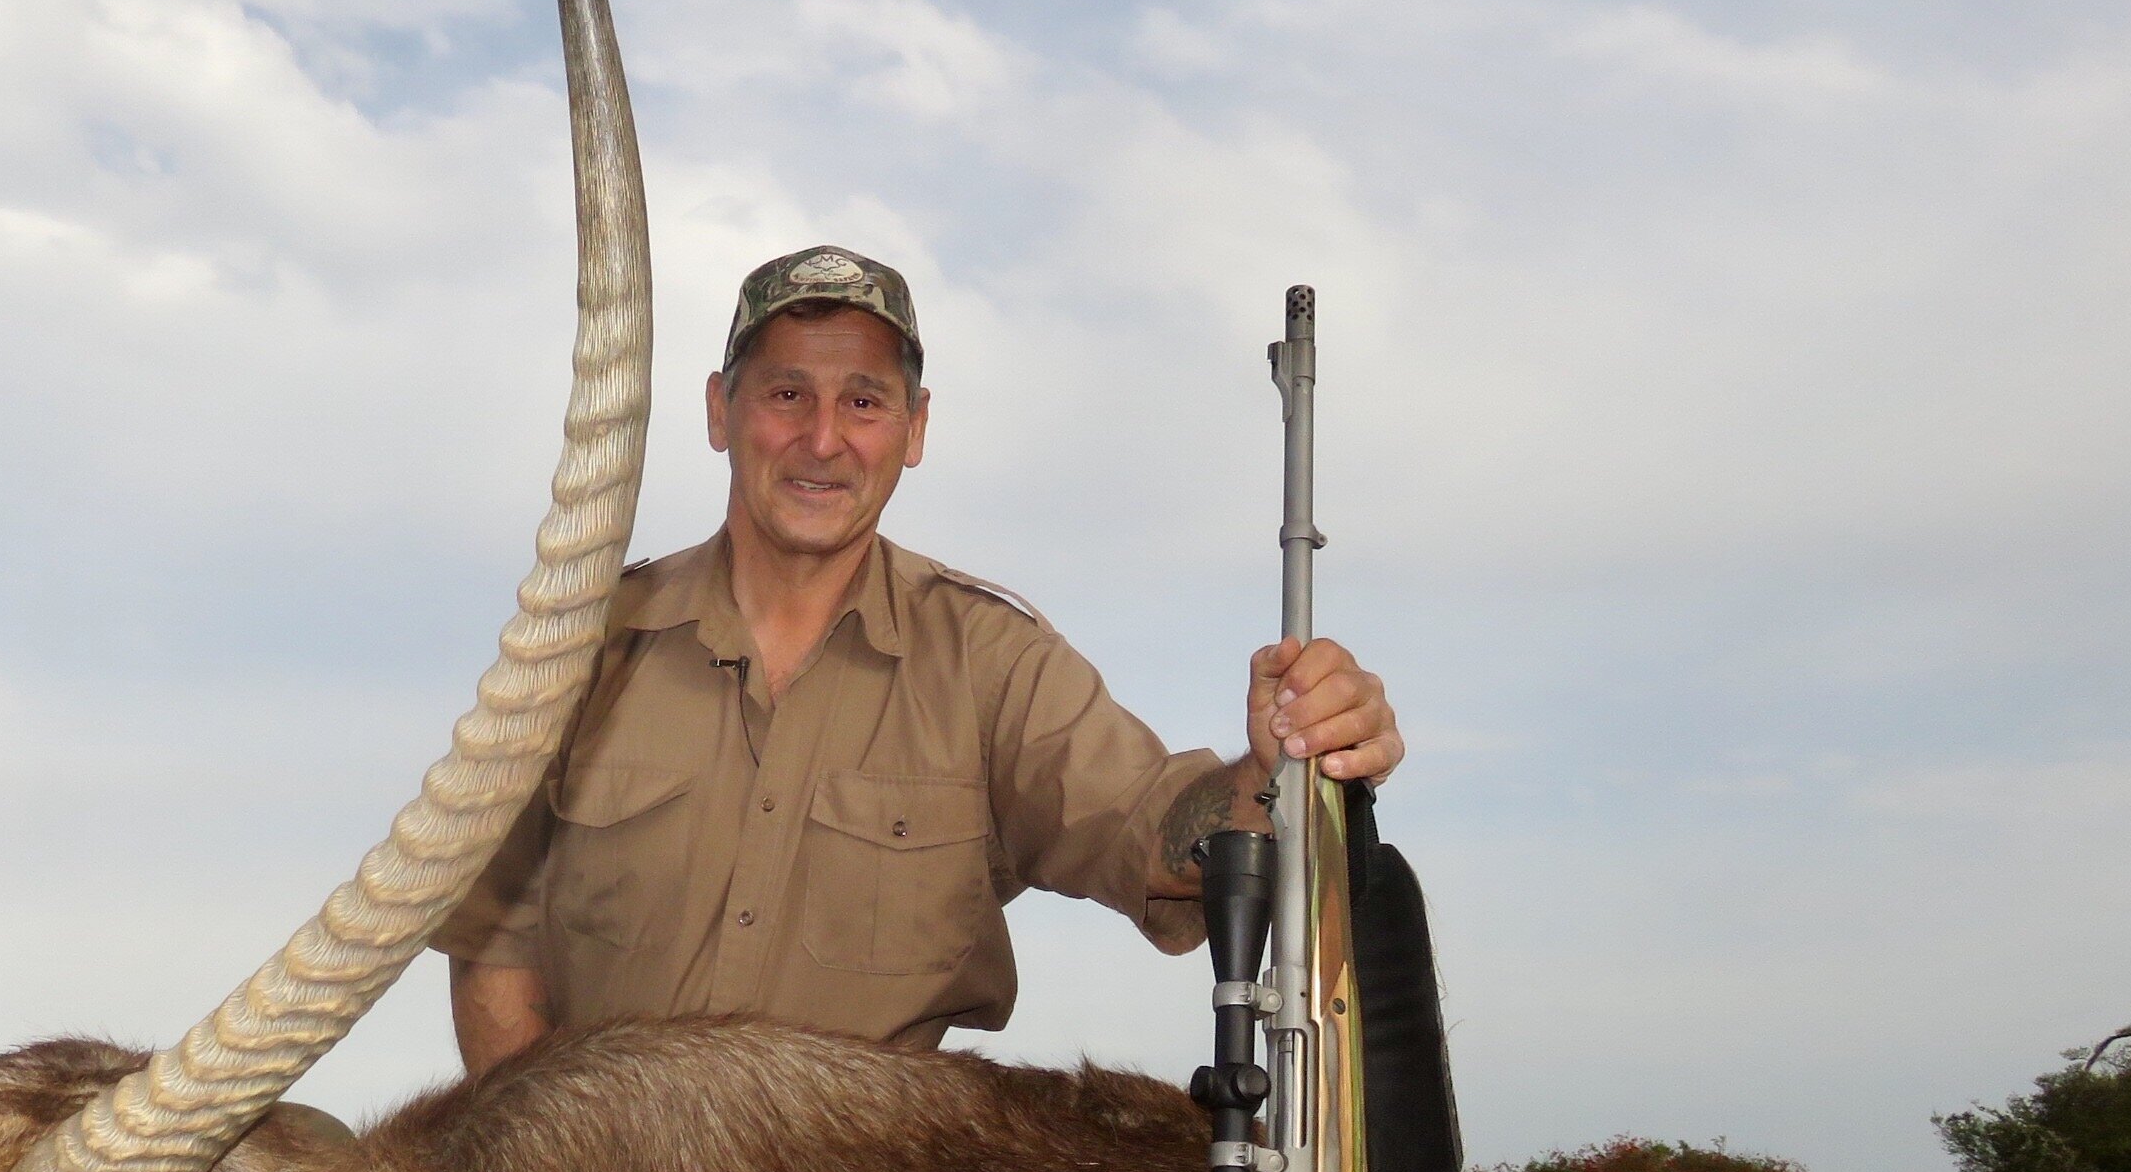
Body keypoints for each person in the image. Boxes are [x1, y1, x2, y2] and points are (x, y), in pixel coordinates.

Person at [437, 244, 1406, 1075]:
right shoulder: (572, 651)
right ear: (719, 411)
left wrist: (1276, 770)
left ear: (915, 429)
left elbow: (1156, 837)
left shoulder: (991, 661)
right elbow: (492, 941)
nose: (823, 440)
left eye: (864, 401)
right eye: (786, 394)